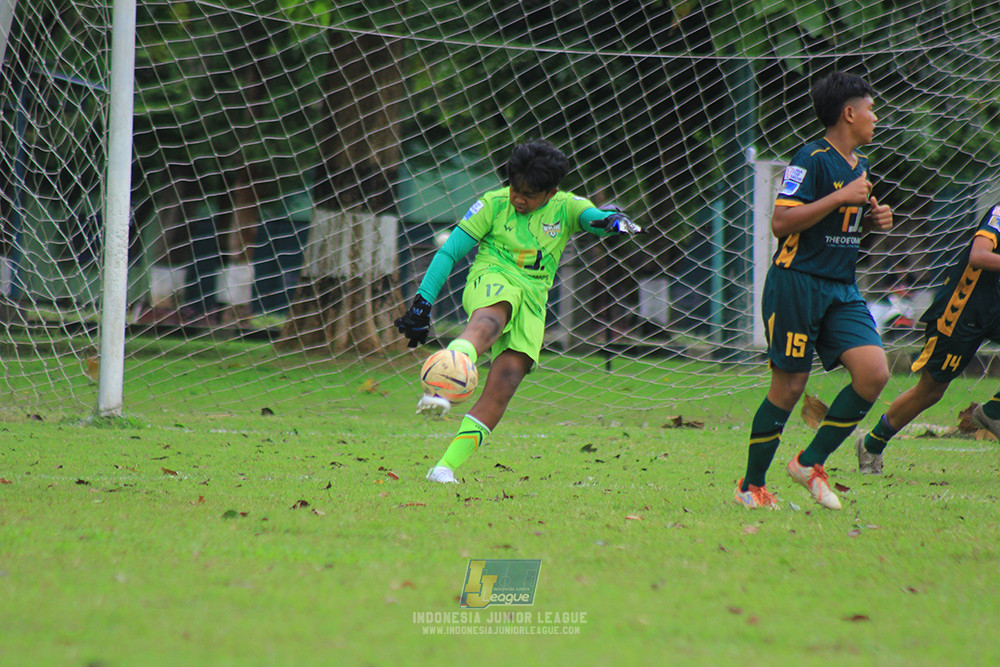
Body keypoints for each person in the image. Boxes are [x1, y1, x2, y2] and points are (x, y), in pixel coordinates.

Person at [394, 140, 641, 484]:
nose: (519, 198)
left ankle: (444, 467)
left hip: (534, 301)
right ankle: (441, 387)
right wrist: (422, 304)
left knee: (506, 380)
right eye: (515, 189)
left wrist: (612, 219)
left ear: (552, 192)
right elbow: (449, 253)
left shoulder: (566, 207)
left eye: (529, 194)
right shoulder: (492, 205)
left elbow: (592, 217)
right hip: (492, 277)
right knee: (491, 318)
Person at [734, 71, 894, 510]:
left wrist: (873, 221)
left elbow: (840, 229)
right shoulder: (811, 157)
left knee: (874, 372)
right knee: (789, 386)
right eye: (870, 109)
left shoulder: (858, 166)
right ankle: (751, 486)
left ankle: (809, 462)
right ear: (849, 113)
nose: (875, 118)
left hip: (841, 287)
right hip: (797, 282)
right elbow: (782, 222)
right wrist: (842, 197)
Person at [856, 202, 1000, 474]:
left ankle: (992, 412)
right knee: (930, 391)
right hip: (959, 312)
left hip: (993, 308)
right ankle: (871, 443)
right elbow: (978, 256)